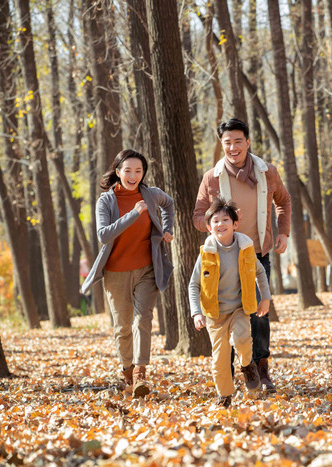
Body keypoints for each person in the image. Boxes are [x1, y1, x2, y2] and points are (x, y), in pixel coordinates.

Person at [193, 118, 291, 393]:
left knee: (258, 314)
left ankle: (261, 371)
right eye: (227, 143)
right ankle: (233, 373)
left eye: (238, 141)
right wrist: (217, 224)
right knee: (226, 316)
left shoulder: (266, 172)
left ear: (248, 142)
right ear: (221, 145)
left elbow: (283, 201)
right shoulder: (212, 178)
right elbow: (198, 216)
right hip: (223, 257)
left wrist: (282, 232)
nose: (233, 147)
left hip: (256, 254)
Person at [81, 149, 175, 397]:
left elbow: (169, 204)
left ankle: (140, 374)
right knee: (122, 327)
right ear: (118, 171)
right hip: (115, 272)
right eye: (128, 170)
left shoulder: (152, 195)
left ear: (143, 173)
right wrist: (135, 213)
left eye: (138, 171)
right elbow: (103, 235)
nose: (133, 175)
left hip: (147, 268)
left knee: (142, 318)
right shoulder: (106, 201)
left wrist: (167, 228)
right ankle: (127, 372)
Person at [189, 198, 271, 406]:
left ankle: (247, 366)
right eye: (215, 221)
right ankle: (224, 396)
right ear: (209, 228)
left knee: (243, 340)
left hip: (239, 309)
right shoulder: (206, 254)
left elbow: (260, 273)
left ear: (235, 224)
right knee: (220, 360)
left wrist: (266, 298)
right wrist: (196, 313)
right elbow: (193, 285)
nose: (220, 224)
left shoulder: (245, 248)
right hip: (215, 315)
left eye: (225, 219)